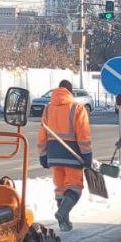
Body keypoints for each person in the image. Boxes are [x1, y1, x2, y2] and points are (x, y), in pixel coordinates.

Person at [37, 79, 93, 231]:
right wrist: (87, 156)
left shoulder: (48, 109)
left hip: (54, 156)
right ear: (70, 92)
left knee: (60, 188)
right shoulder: (77, 108)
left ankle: (64, 223)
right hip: (72, 155)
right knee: (74, 186)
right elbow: (83, 135)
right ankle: (62, 213)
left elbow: (42, 133)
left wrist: (43, 155)